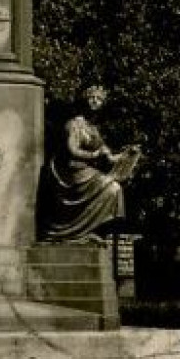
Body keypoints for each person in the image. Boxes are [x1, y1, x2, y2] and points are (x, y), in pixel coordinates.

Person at [40, 85, 142, 243]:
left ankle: (92, 230)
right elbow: (72, 150)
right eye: (92, 98)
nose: (95, 101)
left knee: (114, 189)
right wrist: (93, 155)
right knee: (112, 189)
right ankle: (75, 231)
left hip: (87, 172)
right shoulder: (74, 124)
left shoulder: (94, 129)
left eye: (99, 99)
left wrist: (128, 154)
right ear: (84, 100)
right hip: (72, 173)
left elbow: (110, 158)